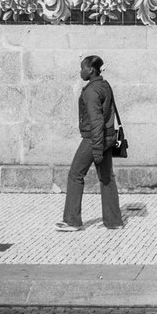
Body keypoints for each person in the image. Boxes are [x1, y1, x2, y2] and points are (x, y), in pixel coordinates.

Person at [55, 56, 125, 232]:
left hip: (94, 138)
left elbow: (96, 121)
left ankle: (72, 221)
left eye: (82, 68)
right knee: (106, 177)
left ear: (91, 70)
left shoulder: (91, 91)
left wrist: (96, 148)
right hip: (108, 137)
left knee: (75, 175)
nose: (80, 72)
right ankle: (114, 221)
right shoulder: (105, 85)